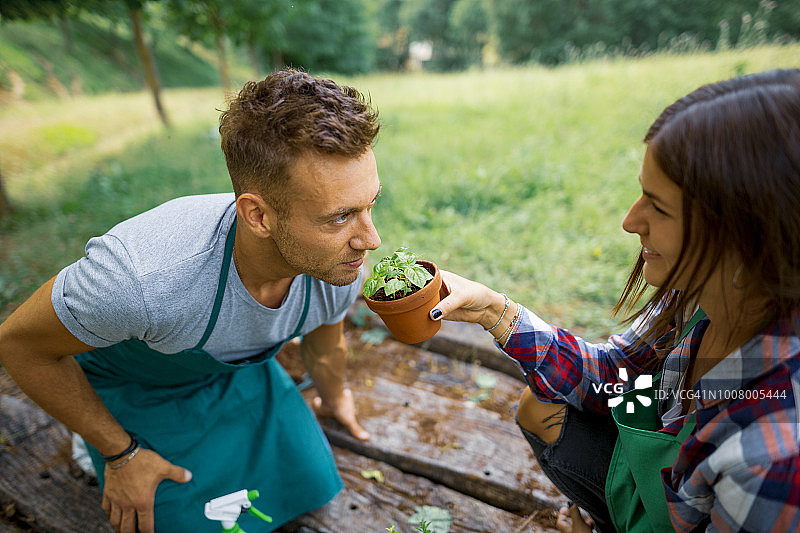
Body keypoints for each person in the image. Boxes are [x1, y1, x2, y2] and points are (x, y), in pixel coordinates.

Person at [0, 68, 382, 533]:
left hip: (231, 374)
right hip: (134, 385)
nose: (370, 240)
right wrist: (120, 452)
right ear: (257, 215)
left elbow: (326, 339)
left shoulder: (337, 262)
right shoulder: (138, 279)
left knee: (310, 483)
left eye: (370, 205)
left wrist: (335, 394)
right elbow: (18, 345)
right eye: (341, 217)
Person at [429, 68, 800, 532]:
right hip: (659, 496)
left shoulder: (774, 457)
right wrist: (493, 311)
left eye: (657, 206)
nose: (630, 220)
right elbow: (613, 373)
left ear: (748, 238)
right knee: (540, 405)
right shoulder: (698, 299)